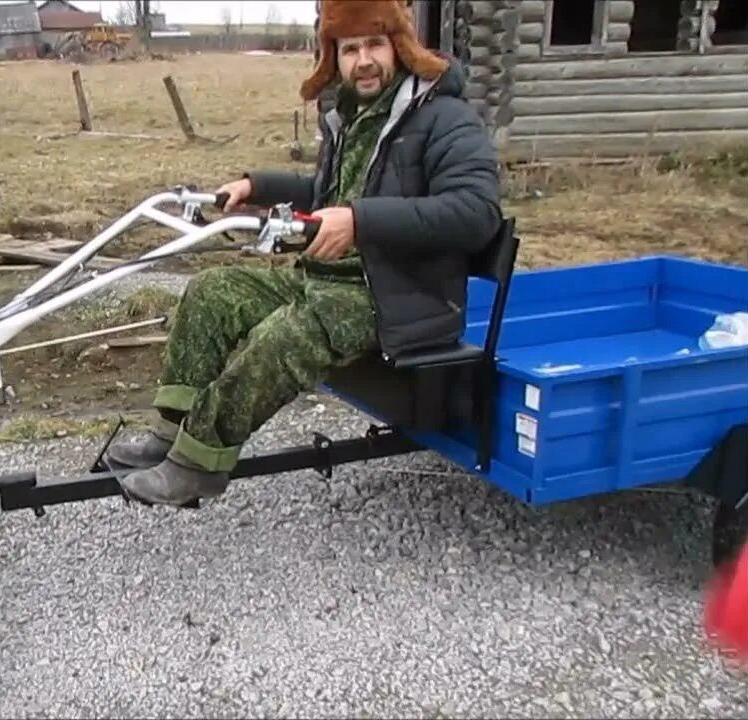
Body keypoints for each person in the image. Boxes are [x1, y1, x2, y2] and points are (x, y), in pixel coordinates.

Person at [109, 0, 504, 507]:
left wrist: (361, 221)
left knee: (284, 336)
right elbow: (325, 193)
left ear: (400, 47)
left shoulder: (444, 117)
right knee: (213, 292)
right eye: (350, 48)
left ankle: (198, 464)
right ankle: (170, 435)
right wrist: (258, 186)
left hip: (399, 296)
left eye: (375, 45)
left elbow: (476, 213)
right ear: (333, 57)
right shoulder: (349, 117)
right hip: (327, 278)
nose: (364, 60)